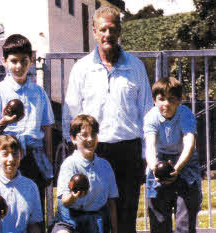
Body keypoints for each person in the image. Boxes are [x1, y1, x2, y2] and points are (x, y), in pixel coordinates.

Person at [61, 6, 153, 232]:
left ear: (120, 30)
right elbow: (70, 115)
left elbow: (147, 113)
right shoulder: (81, 69)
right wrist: (76, 152)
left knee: (126, 217)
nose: (107, 35)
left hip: (128, 152)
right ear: (94, 31)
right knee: (93, 216)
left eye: (112, 29)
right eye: (103, 29)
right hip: (93, 152)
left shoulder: (136, 67)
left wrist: (144, 156)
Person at [0, 34, 55, 218]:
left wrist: (47, 162)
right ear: (4, 61)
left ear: (31, 61)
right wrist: (2, 122)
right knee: (6, 209)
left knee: (34, 210)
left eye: (24, 61)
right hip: (8, 155)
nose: (19, 66)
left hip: (33, 157)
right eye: (14, 61)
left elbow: (46, 129)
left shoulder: (39, 92)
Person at [144, 77, 201, 233]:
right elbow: (150, 146)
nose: (166, 104)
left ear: (179, 101)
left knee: (185, 222)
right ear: (154, 100)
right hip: (160, 160)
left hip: (185, 162)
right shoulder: (151, 117)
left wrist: (177, 168)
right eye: (161, 99)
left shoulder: (185, 114)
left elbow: (189, 143)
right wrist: (154, 168)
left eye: (171, 99)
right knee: (159, 221)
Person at [52, 115, 118, 233]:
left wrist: (115, 230)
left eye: (93, 134)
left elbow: (111, 202)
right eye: (84, 135)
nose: (90, 139)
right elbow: (64, 201)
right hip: (70, 220)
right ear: (73, 139)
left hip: (96, 221)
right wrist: (73, 196)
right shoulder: (69, 164)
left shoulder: (105, 166)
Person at [0, 134, 43, 233]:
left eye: (15, 153)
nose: (11, 159)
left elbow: (33, 224)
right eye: (5, 154)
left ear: (21, 155)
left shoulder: (30, 186)